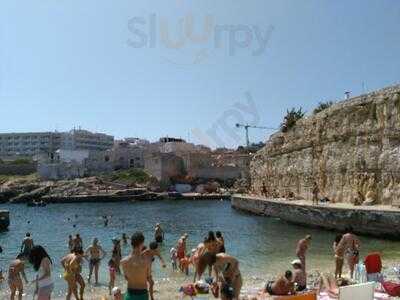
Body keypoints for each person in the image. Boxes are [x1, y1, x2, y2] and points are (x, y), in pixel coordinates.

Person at [121, 232, 151, 300]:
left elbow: (126, 278)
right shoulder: (147, 261)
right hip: (142, 294)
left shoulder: (124, 261)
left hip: (130, 294)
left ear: (132, 243)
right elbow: (148, 278)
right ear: (142, 243)